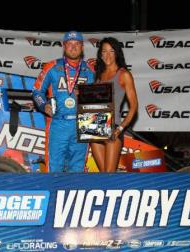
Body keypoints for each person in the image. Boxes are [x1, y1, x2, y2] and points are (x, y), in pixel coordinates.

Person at [33, 31, 95, 172]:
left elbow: (99, 98)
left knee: (78, 168)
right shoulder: (52, 67)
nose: (73, 47)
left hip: (83, 123)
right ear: (63, 45)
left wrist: (87, 97)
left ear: (82, 47)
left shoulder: (90, 71)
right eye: (70, 44)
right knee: (54, 167)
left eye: (77, 44)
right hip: (58, 123)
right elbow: (37, 91)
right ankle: (55, 193)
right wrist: (43, 105)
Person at [91, 37, 138, 172]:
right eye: (104, 51)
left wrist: (121, 128)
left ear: (117, 53)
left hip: (113, 128)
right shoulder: (98, 75)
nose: (108, 55)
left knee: (109, 177)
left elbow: (134, 106)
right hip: (95, 128)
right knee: (104, 177)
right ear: (100, 54)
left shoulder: (123, 75)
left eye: (111, 51)